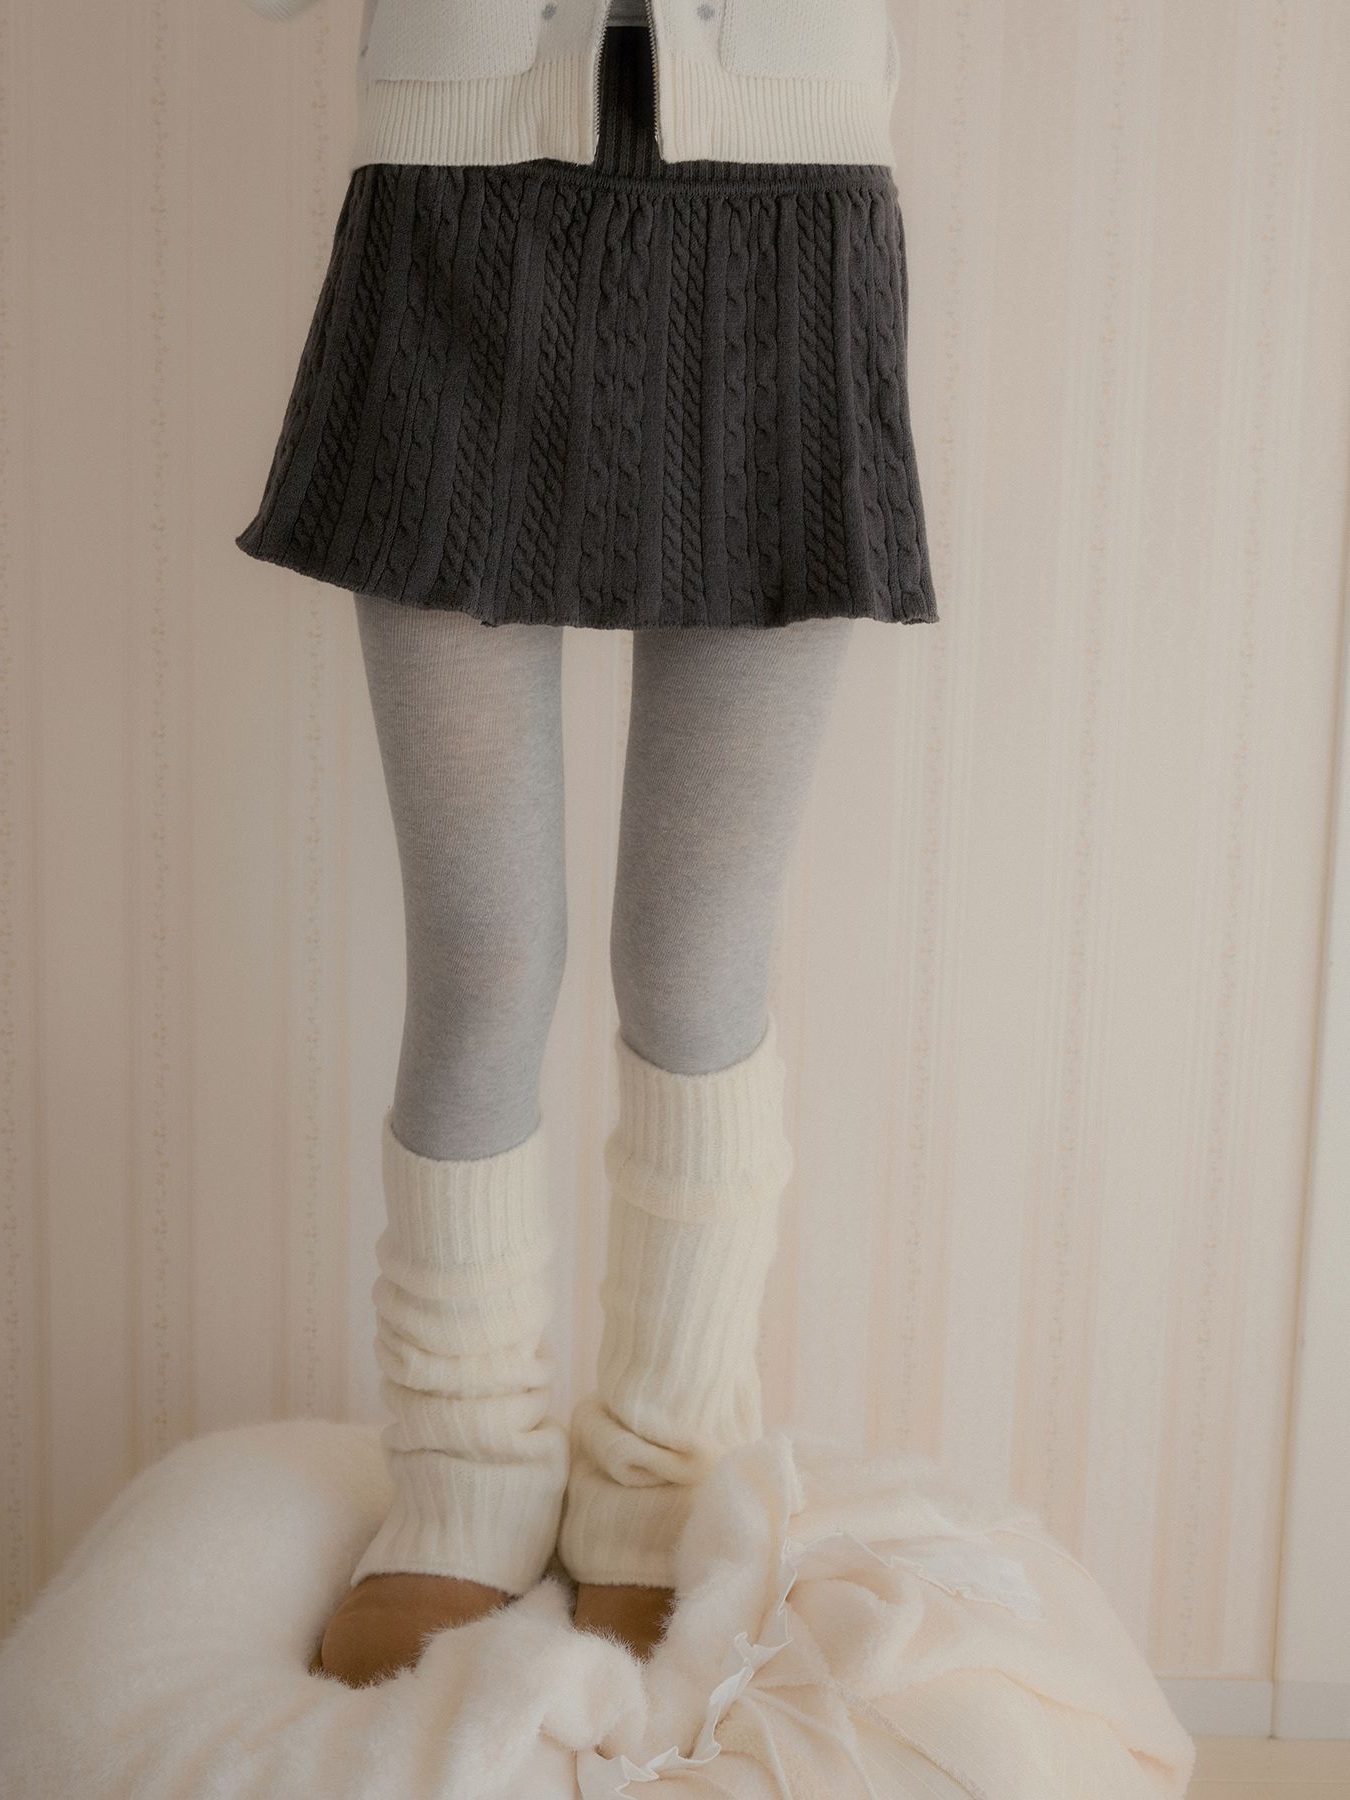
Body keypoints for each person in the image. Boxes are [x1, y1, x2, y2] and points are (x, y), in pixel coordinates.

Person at [233, 0, 938, 1689]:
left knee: (696, 961)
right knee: (484, 952)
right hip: (454, 181)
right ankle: (464, 1476)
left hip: (784, 197)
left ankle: (664, 1472)